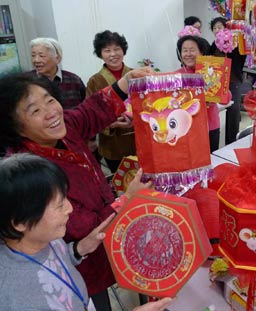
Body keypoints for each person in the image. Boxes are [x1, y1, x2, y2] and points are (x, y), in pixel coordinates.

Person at [0, 68, 153, 311]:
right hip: (83, 264)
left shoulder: (63, 127)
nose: (51, 112)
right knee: (90, 298)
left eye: (50, 100)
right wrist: (127, 199)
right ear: (15, 127)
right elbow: (84, 225)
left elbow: (89, 112)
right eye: (35, 110)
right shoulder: (30, 176)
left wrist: (124, 83)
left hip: (86, 245)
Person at [0, 153, 173, 311]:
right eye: (59, 205)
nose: (69, 209)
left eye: (66, 198)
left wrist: (78, 249)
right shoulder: (17, 297)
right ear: (19, 222)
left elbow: (54, 261)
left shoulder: (42, 238)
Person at [87, 30, 136, 173]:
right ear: (100, 54)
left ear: (123, 50)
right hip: (112, 144)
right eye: (107, 50)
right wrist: (111, 123)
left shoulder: (136, 74)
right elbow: (90, 114)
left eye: (117, 49)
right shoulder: (94, 81)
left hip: (138, 140)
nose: (113, 54)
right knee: (120, 183)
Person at [175, 34, 220, 152]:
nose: (188, 54)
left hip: (210, 126)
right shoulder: (176, 75)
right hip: (186, 127)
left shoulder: (211, 70)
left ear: (201, 52)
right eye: (184, 50)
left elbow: (227, 96)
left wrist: (216, 95)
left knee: (210, 160)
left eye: (192, 50)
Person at [209, 17, 247, 144]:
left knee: (233, 110)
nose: (216, 30)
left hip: (233, 80)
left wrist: (229, 44)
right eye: (214, 28)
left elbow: (241, 57)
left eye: (219, 27)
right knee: (218, 111)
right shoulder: (214, 44)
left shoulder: (235, 42)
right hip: (217, 82)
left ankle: (231, 142)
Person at [27, 37, 86, 109]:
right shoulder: (26, 82)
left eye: (41, 56)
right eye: (33, 56)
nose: (36, 60)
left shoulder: (74, 80)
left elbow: (85, 108)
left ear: (57, 58)